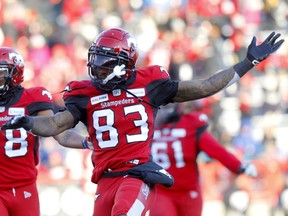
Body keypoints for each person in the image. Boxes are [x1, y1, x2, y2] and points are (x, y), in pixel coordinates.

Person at [1, 28, 283, 216]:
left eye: (104, 61)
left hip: (136, 175)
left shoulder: (151, 83)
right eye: (95, 59)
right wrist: (27, 122)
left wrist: (247, 63)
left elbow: (204, 86)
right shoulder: (84, 93)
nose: (95, 66)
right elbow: (55, 126)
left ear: (124, 63)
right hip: (104, 181)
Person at [0, 47, 88, 216]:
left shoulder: (33, 97)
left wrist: (87, 142)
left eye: (1, 73)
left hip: (25, 186)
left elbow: (59, 132)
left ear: (14, 74)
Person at [149, 102, 257, 216]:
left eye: (169, 103)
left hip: (188, 191)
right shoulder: (147, 125)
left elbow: (217, 151)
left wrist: (238, 166)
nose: (165, 108)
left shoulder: (190, 123)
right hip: (161, 191)